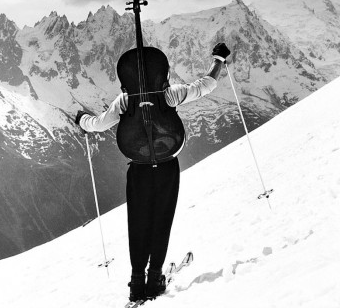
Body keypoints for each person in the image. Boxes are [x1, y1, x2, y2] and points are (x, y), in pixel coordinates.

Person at [75, 43, 231, 301]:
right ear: (161, 72)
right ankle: (155, 275)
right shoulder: (169, 95)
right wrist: (218, 61)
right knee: (162, 220)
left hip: (139, 170)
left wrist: (81, 119)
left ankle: (137, 281)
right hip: (167, 165)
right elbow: (206, 85)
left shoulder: (125, 100)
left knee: (138, 223)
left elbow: (98, 125)